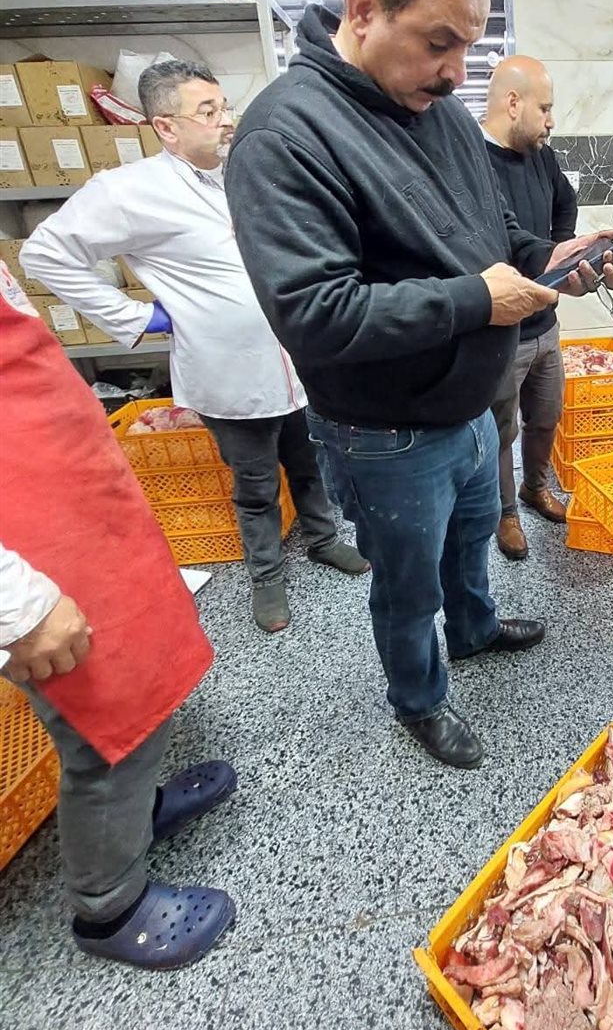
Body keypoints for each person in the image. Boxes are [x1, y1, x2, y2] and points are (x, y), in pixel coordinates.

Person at [223, 0, 613, 769]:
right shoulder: (285, 134)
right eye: (440, 42)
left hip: (470, 409)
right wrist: (476, 302)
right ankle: (419, 700)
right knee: (406, 590)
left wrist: (549, 258)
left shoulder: (436, 111)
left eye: (469, 46)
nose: (454, 72)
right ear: (365, 8)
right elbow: (315, 313)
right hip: (384, 434)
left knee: (471, 543)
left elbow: (488, 235)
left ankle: (473, 629)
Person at [19, 60, 368, 635]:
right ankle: (267, 577)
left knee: (309, 462)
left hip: (297, 361)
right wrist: (135, 315)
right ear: (166, 126)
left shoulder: (248, 172)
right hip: (227, 372)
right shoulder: (130, 191)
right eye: (208, 112)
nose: (226, 120)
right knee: (256, 484)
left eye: (224, 106)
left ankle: (323, 539)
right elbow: (44, 254)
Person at [0, 262, 236, 969]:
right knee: (103, 719)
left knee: (139, 690)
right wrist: (16, 605)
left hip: (64, 501)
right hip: (31, 550)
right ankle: (109, 906)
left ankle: (136, 814)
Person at [483, 56, 578, 559]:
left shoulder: (542, 156)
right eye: (545, 108)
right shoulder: (472, 162)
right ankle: (505, 514)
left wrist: (559, 259)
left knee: (545, 417)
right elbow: (502, 236)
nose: (551, 121)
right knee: (502, 429)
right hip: (502, 333)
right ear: (513, 102)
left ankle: (534, 488)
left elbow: (565, 203)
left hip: (545, 324)